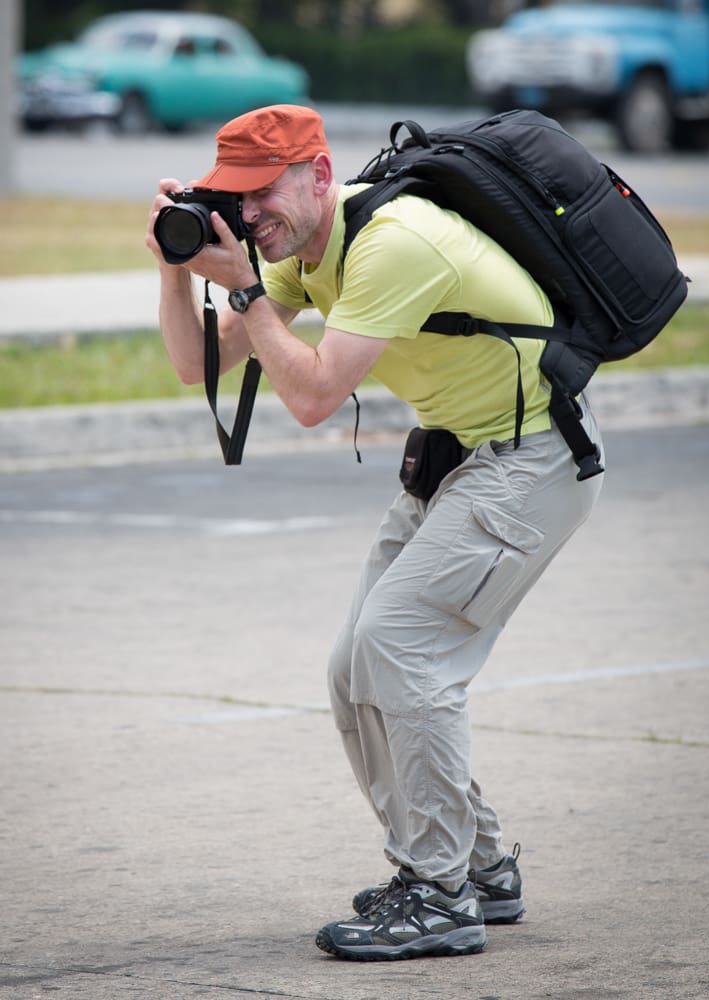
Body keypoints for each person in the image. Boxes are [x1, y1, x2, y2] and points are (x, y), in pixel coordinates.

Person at [146, 104, 604, 962]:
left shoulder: (394, 240)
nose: (249, 216)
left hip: (531, 462)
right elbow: (199, 363)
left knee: (400, 650)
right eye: (235, 199)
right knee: (354, 664)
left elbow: (314, 397)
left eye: (263, 194)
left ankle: (438, 895)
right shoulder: (304, 248)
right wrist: (178, 267)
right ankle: (480, 866)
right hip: (456, 461)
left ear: (320, 175)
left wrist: (243, 283)